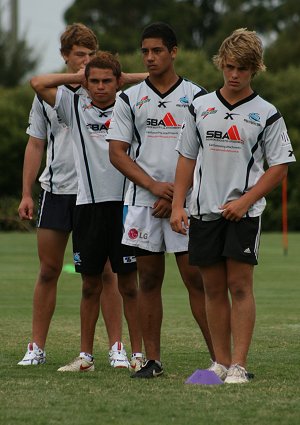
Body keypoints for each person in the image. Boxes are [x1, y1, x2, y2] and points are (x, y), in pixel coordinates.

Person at [170, 28, 296, 383]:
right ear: (220, 66)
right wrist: (178, 205)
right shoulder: (200, 107)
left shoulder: (267, 113)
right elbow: (185, 159)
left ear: (255, 69)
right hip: (203, 212)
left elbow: (280, 167)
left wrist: (245, 201)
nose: (234, 74)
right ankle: (220, 363)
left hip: (244, 214)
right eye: (228, 67)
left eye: (241, 68)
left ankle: (239, 365)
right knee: (212, 288)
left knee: (240, 287)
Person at [18, 23, 143, 369]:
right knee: (49, 270)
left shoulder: (111, 95)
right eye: (79, 57)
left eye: (91, 57)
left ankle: (117, 346)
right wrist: (27, 192)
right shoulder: (59, 98)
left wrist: (101, 77)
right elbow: (35, 143)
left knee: (108, 274)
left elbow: (141, 80)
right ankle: (36, 347)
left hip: (102, 196)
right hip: (58, 190)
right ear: (65, 56)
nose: (85, 63)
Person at [108, 22, 214, 379]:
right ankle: (152, 360)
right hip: (142, 203)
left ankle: (220, 359)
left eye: (157, 50)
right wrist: (155, 187)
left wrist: (177, 196)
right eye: (145, 51)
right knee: (148, 280)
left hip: (186, 204)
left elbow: (207, 153)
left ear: (174, 51)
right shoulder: (129, 97)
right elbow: (118, 153)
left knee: (196, 279)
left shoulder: (199, 98)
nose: (150, 57)